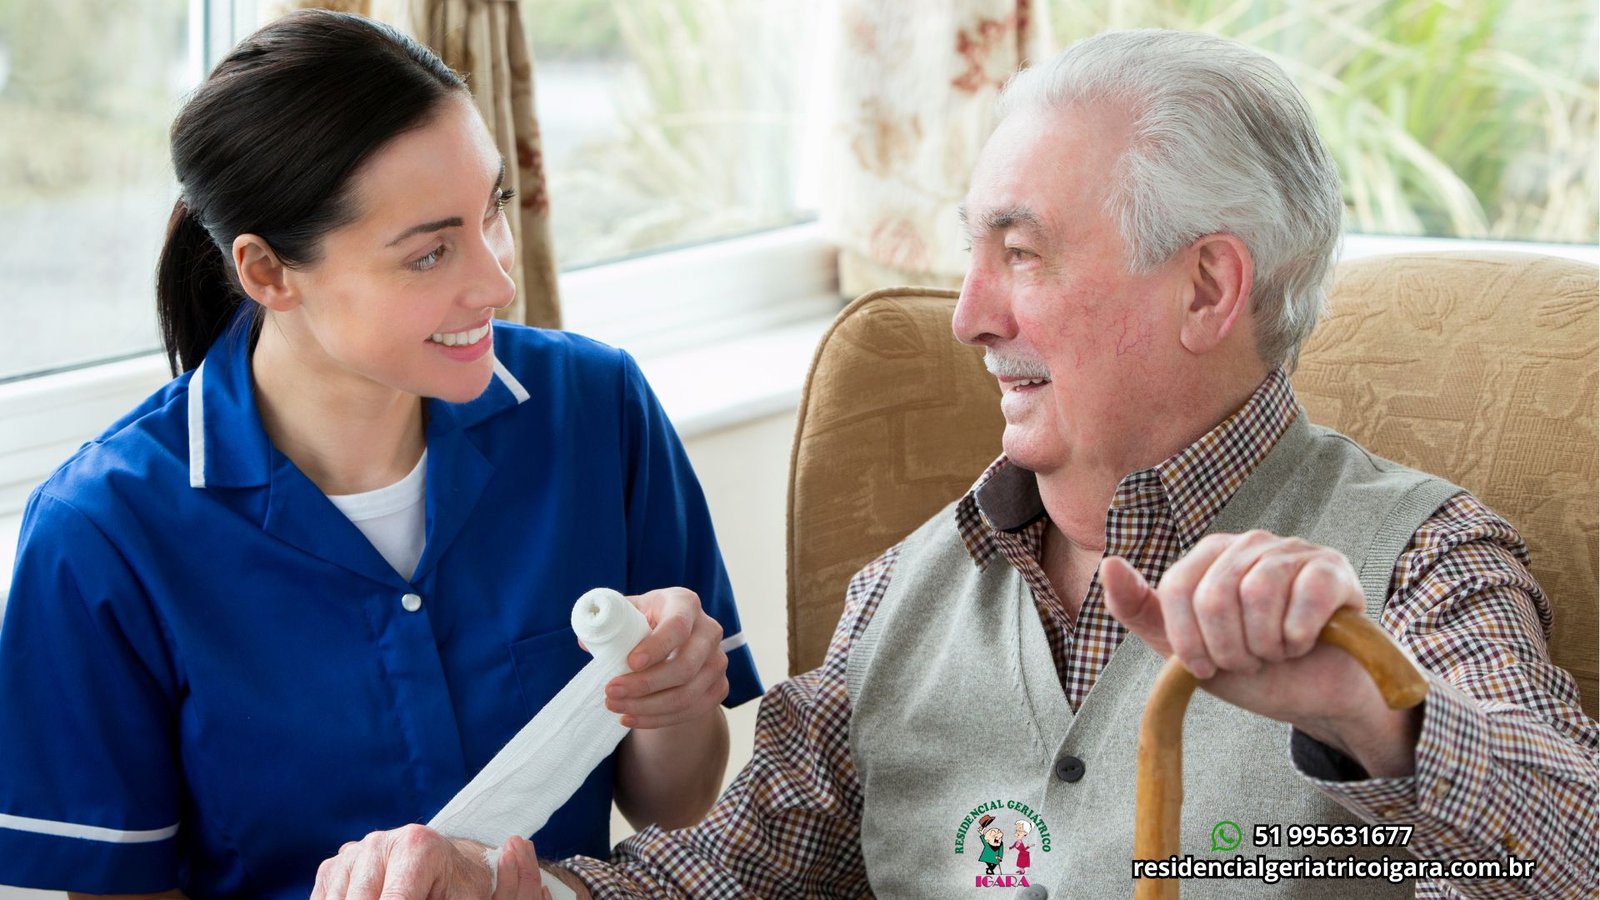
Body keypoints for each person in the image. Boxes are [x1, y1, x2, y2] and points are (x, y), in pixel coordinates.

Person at [312, 28, 1598, 899]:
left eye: (1021, 254)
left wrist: (1377, 717)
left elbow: (1575, 853)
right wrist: (516, 891)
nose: (967, 316)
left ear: (1208, 287)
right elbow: (733, 871)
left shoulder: (1421, 564)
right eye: (970, 252)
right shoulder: (903, 592)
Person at [0, 10, 762, 898]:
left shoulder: (598, 410)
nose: (497, 281)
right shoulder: (102, 534)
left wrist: (674, 701)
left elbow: (676, 806)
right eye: (430, 253)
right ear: (267, 272)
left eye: (492, 210)